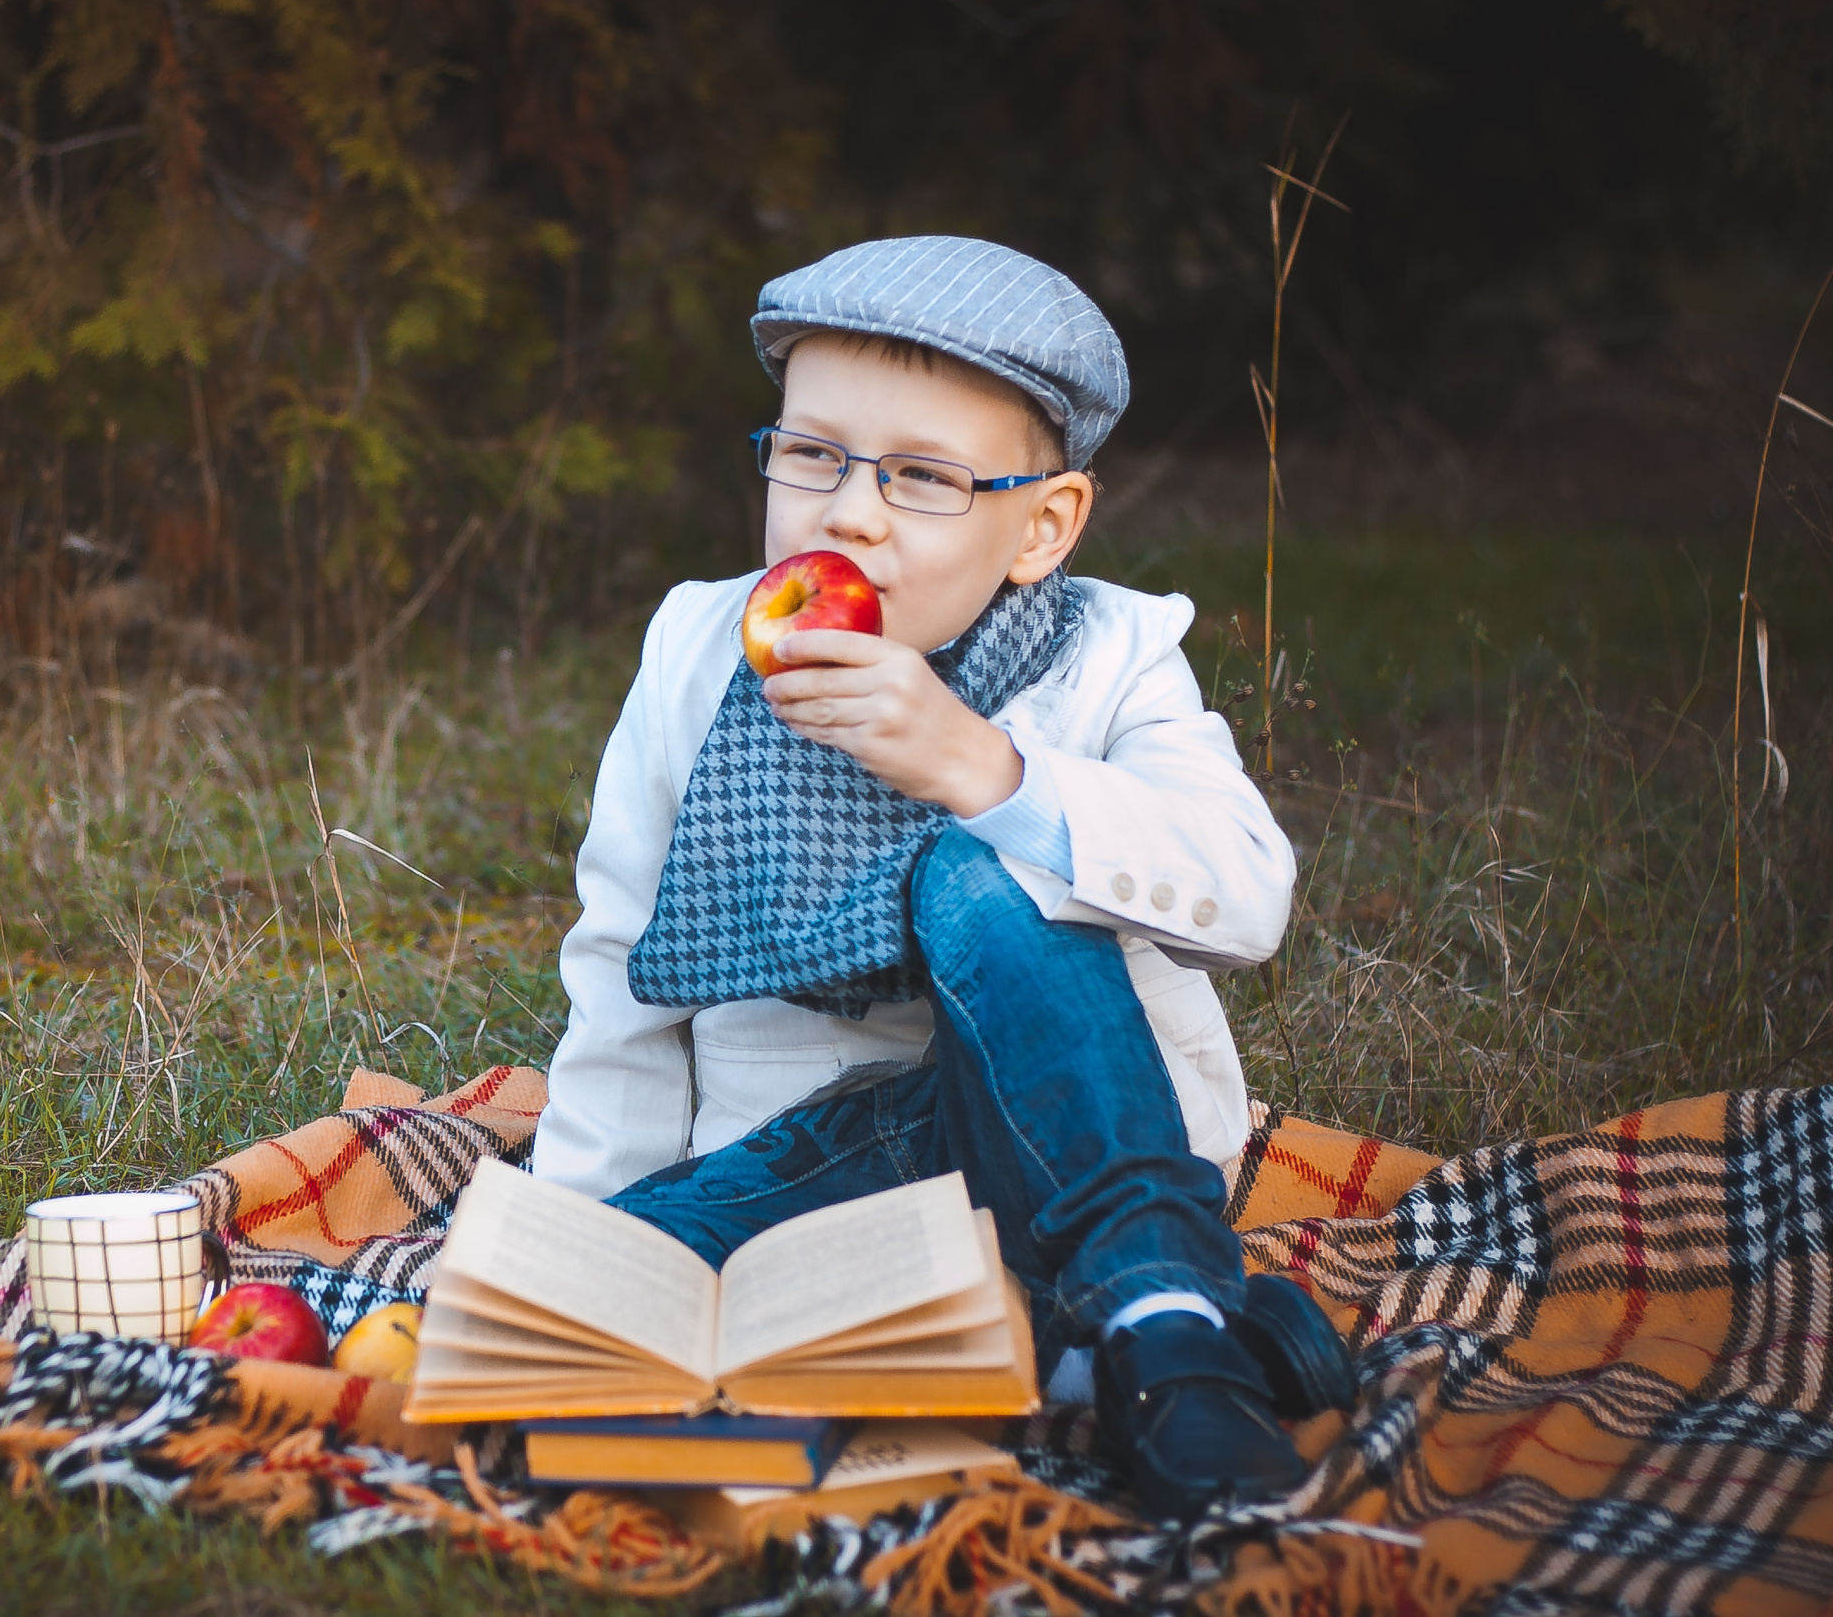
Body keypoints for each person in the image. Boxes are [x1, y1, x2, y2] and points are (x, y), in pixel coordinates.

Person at [529, 235, 1352, 1521]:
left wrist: (983, 766)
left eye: (919, 476)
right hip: (817, 1173)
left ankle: (1159, 1314)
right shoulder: (700, 648)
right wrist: (588, 1230)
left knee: (974, 874)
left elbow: (1248, 899)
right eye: (812, 455)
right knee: (615, 1292)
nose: (847, 511)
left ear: (1040, 527)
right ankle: (1139, 1344)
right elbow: (621, 964)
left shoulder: (1112, 655)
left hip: (1074, 1143)